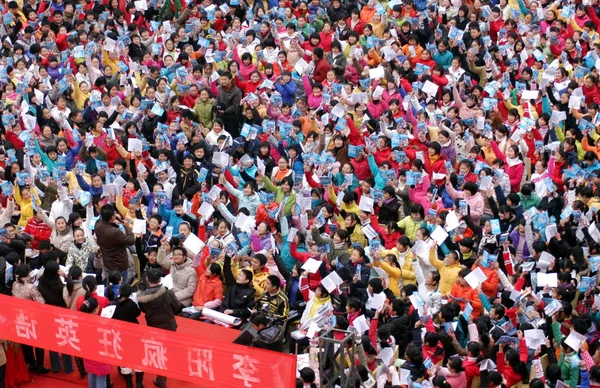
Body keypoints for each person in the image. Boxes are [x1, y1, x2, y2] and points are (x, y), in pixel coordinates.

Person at [137, 268, 181, 388]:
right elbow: (177, 308)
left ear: (147, 279)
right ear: (160, 279)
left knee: (159, 352)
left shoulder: (142, 297)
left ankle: (160, 377)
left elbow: (143, 310)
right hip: (169, 325)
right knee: (167, 350)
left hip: (153, 326)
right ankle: (163, 378)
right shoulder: (168, 293)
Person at [94, 204, 135, 282]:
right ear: (112, 217)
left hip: (107, 262)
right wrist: (127, 226)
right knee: (120, 288)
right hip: (119, 265)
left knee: (110, 286)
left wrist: (114, 221)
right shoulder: (115, 232)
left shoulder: (97, 225)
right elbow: (131, 240)